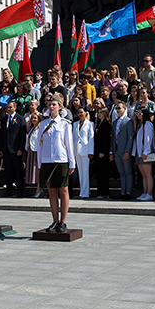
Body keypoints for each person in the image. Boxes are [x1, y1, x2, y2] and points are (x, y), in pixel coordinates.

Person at [38, 95, 75, 232]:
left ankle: (63, 221)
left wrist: (72, 162)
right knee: (52, 191)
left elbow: (69, 144)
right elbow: (39, 145)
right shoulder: (43, 124)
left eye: (54, 104)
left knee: (63, 190)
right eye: (49, 104)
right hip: (47, 160)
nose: (51, 107)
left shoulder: (65, 124)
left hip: (61, 159)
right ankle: (54, 220)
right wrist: (39, 163)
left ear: (60, 106)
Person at [0, 101, 26, 197]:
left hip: (15, 149)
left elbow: (22, 135)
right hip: (6, 149)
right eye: (7, 107)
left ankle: (19, 190)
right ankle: (8, 190)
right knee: (7, 171)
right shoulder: (4, 120)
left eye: (10, 107)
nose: (8, 109)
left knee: (18, 171)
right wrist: (1, 149)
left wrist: (20, 148)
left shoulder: (20, 119)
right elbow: (2, 135)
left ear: (15, 107)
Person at [110, 101, 135, 200]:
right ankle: (123, 191)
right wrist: (111, 151)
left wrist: (127, 151)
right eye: (116, 108)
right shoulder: (115, 122)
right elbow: (113, 137)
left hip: (124, 149)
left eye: (119, 108)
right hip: (116, 149)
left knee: (127, 171)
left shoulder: (129, 121)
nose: (117, 110)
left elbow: (130, 137)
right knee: (121, 171)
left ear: (125, 109)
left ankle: (128, 192)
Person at [133, 106, 155, 201]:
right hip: (139, 152)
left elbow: (148, 139)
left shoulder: (148, 124)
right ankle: (145, 192)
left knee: (148, 173)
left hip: (145, 152)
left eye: (140, 113)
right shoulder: (140, 124)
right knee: (143, 174)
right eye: (137, 113)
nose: (138, 115)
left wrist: (146, 151)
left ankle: (149, 193)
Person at [92, 106, 112, 199]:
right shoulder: (99, 123)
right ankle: (100, 192)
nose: (99, 114)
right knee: (99, 172)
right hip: (97, 150)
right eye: (98, 112)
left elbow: (106, 139)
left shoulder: (106, 123)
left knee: (103, 172)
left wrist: (103, 151)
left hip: (102, 151)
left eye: (101, 112)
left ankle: (104, 193)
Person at [73, 107, 94, 199]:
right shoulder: (75, 124)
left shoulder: (90, 124)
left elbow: (91, 138)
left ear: (86, 113)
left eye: (81, 112)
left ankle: (84, 193)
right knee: (80, 172)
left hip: (85, 150)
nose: (80, 114)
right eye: (79, 112)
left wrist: (91, 151)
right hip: (77, 150)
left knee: (85, 171)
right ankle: (84, 190)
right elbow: (73, 138)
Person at [25, 112, 42, 198]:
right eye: (32, 118)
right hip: (31, 150)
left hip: (37, 151)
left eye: (35, 118)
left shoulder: (40, 128)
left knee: (38, 171)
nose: (33, 120)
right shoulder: (32, 128)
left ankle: (39, 189)